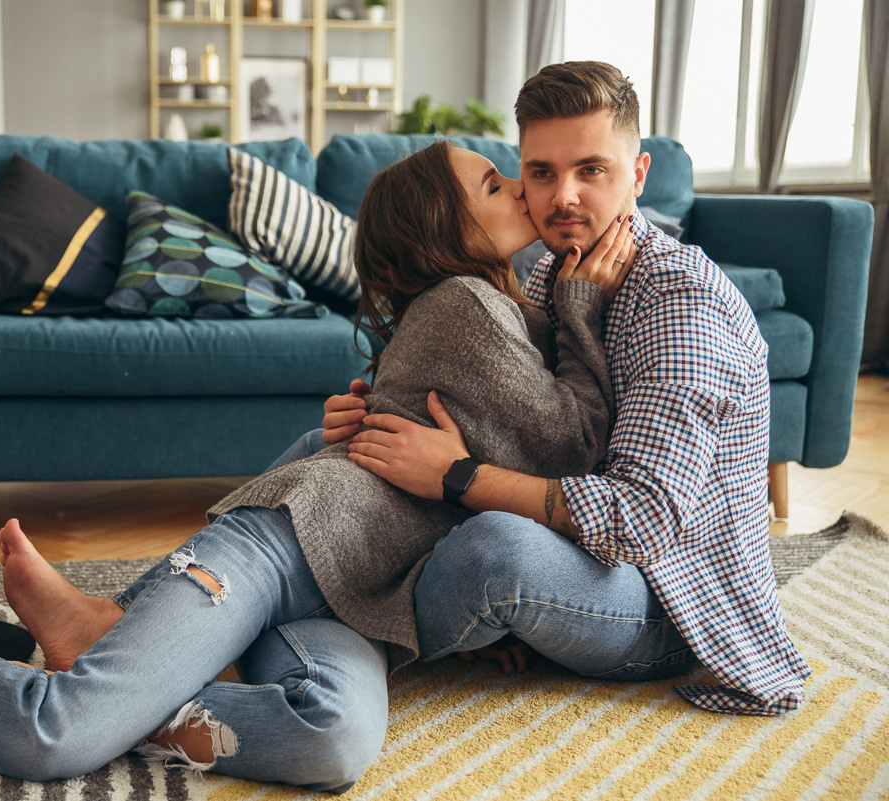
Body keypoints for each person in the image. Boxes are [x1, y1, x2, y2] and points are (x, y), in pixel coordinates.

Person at [0, 141, 634, 790]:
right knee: (59, 737)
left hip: (358, 591)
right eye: (496, 184)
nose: (526, 191)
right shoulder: (468, 303)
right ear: (444, 233)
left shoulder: (495, 302)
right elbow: (568, 451)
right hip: (288, 547)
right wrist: (587, 301)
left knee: (334, 739)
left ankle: (113, 636)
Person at [321, 61, 810, 715]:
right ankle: (265, 607)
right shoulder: (554, 265)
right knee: (346, 448)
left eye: (592, 170)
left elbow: (640, 524)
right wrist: (380, 411)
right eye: (542, 173)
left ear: (637, 175)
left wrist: (457, 475)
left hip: (663, 601)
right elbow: (514, 414)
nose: (563, 198)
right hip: (576, 549)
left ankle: (316, 631)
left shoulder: (679, 300)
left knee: (495, 549)